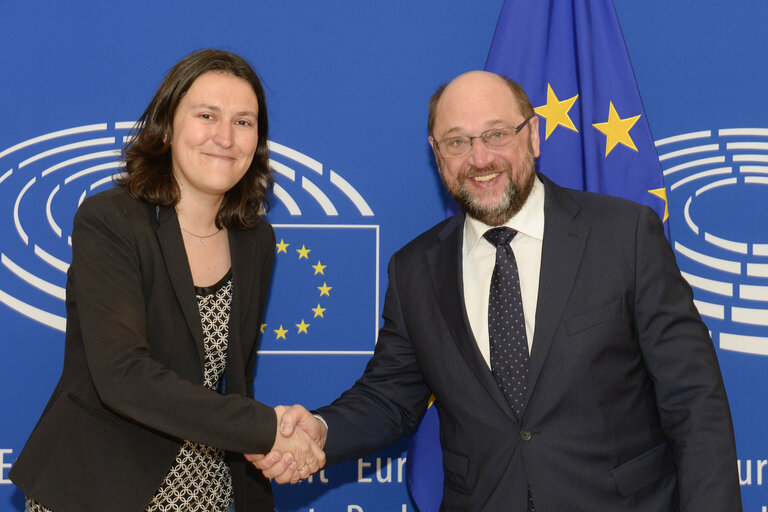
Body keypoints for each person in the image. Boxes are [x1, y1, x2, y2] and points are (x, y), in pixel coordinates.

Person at [251, 71, 742, 511]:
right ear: (436, 154)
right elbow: (389, 398)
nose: (480, 158)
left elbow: (694, 400)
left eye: (496, 134)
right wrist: (319, 430)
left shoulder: (623, 235)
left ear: (534, 136)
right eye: (457, 142)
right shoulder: (414, 268)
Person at [9, 49, 323, 512]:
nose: (225, 137)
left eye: (243, 122)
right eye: (207, 115)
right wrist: (266, 428)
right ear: (168, 127)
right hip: (103, 484)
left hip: (209, 484)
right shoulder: (110, 221)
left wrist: (269, 442)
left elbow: (235, 381)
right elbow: (123, 376)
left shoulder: (255, 239)